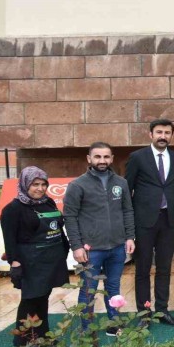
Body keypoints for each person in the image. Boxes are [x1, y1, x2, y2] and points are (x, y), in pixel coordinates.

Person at [63, 142, 136, 336]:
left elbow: (127, 211)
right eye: (97, 156)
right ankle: (87, 330)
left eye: (106, 157)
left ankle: (114, 324)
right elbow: (70, 217)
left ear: (112, 159)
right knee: (88, 290)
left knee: (114, 287)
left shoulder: (121, 183)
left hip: (117, 246)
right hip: (91, 250)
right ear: (89, 159)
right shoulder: (77, 185)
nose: (102, 160)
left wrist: (130, 236)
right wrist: (76, 246)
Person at [125, 118, 174, 327]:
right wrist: (128, 224)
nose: (163, 136)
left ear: (171, 136)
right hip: (144, 221)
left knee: (164, 268)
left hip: (168, 220)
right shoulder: (137, 157)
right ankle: (144, 313)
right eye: (159, 132)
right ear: (151, 134)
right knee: (142, 269)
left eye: (167, 133)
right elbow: (127, 190)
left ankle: (162, 311)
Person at [2, 167, 70, 347]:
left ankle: (43, 336)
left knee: (43, 298)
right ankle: (23, 340)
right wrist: (15, 263)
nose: (40, 189)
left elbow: (58, 228)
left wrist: (65, 249)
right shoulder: (13, 209)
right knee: (30, 299)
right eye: (35, 184)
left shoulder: (48, 203)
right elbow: (10, 239)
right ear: (25, 185)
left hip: (51, 259)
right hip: (30, 262)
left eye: (43, 184)